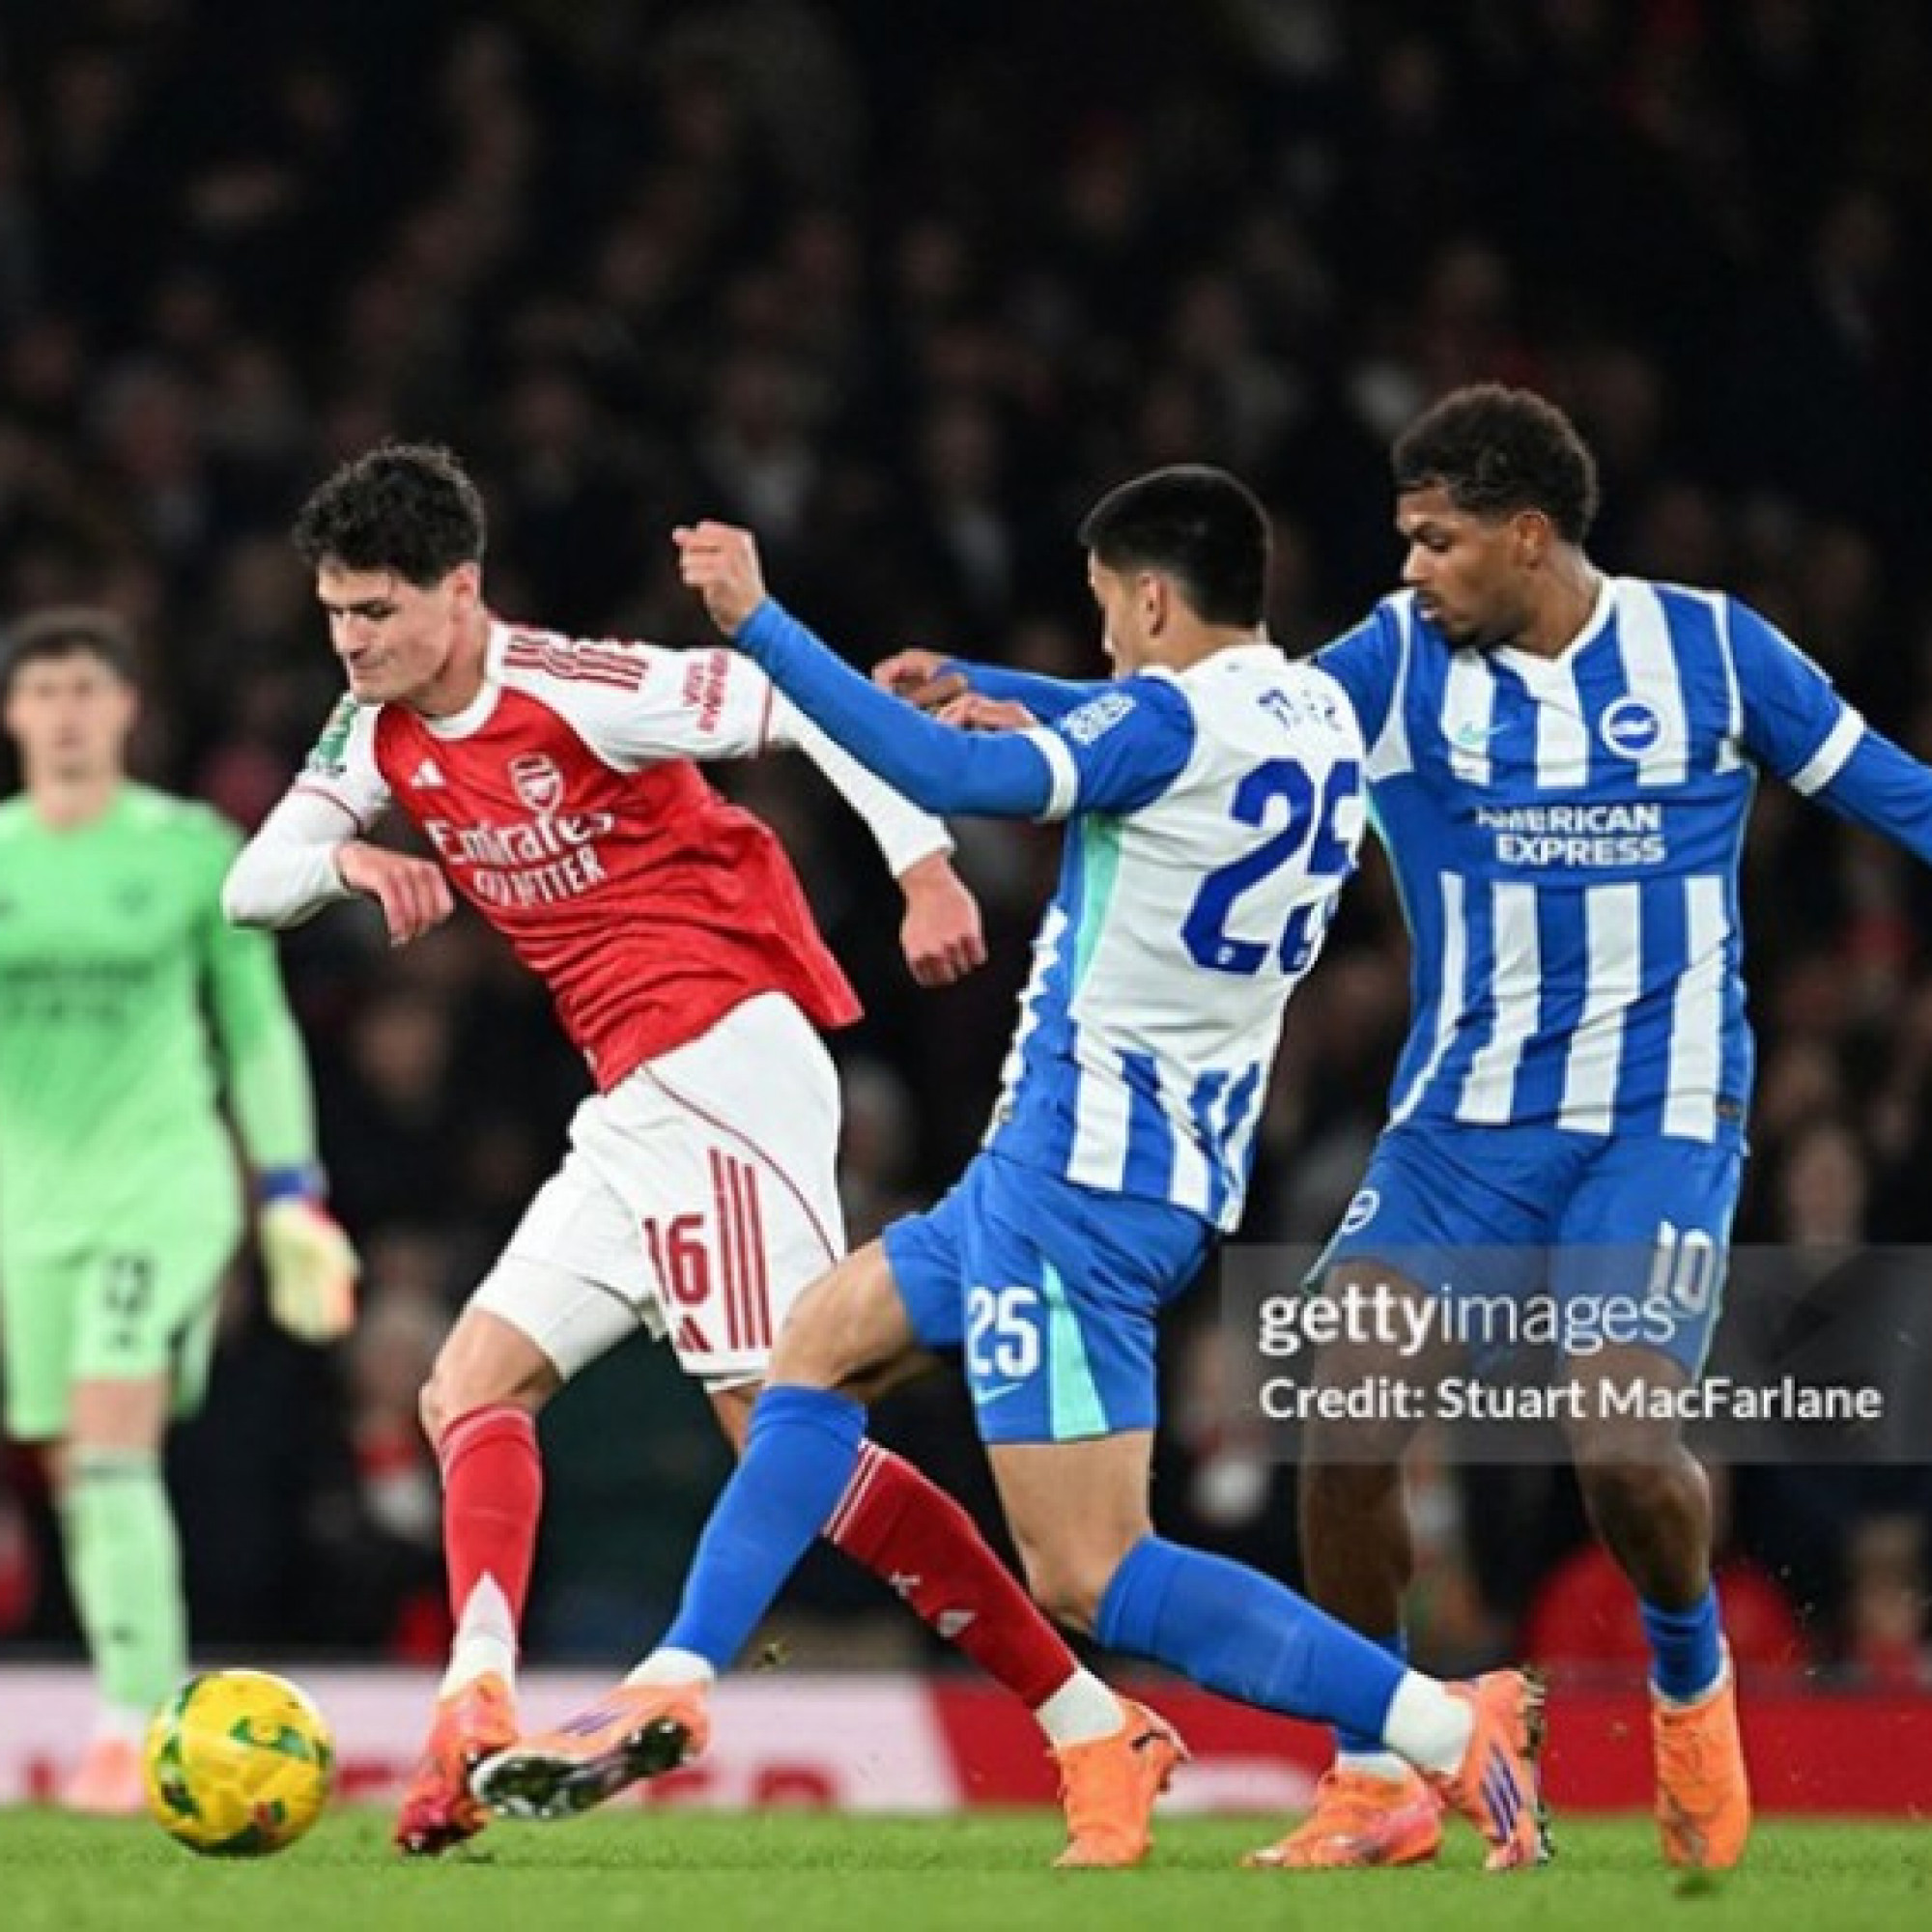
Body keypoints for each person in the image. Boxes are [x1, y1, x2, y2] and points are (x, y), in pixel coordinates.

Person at [895, 387, 1932, 1870]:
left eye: (1438, 542)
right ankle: (1377, 1773)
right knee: (1342, 1403)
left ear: (1526, 535)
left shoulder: (1713, 648)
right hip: (1459, 1129)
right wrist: (1005, 692)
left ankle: (1692, 1685)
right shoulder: (1391, 665)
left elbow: (1895, 792)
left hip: (1656, 1121)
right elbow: (1214, 728)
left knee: (1626, 1447)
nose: (1414, 570)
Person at [471, 467, 1551, 1873]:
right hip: (1099, 1171)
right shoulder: (1318, 708)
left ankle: (1438, 1720)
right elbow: (1123, 728)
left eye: (1108, 612)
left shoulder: (1160, 724)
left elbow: (961, 779)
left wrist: (764, 626)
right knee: (816, 1350)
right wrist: (987, 676)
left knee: (1095, 1573)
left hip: (1078, 1192)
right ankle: (672, 1680)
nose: (1102, 641)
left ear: (1154, 598)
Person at [224, 442, 1187, 1867]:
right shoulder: (370, 736)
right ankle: (471, 1702)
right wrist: (350, 861)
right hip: (631, 1098)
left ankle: (1089, 1726)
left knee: (785, 1426)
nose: (351, 640)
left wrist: (923, 862)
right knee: (468, 1385)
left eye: (376, 611)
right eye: (335, 614)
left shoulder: (586, 686)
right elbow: (252, 886)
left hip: (729, 1055)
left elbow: (814, 707)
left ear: (461, 590)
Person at [0, 608, 356, 1814]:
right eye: (41, 690)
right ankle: (130, 1693)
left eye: (83, 689)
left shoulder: (194, 850)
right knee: (76, 1462)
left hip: (163, 1182)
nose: (63, 711)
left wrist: (289, 1195)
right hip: (29, 1204)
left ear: (124, 708)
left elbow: (255, 1033)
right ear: (13, 714)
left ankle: (127, 1729)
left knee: (109, 1429)